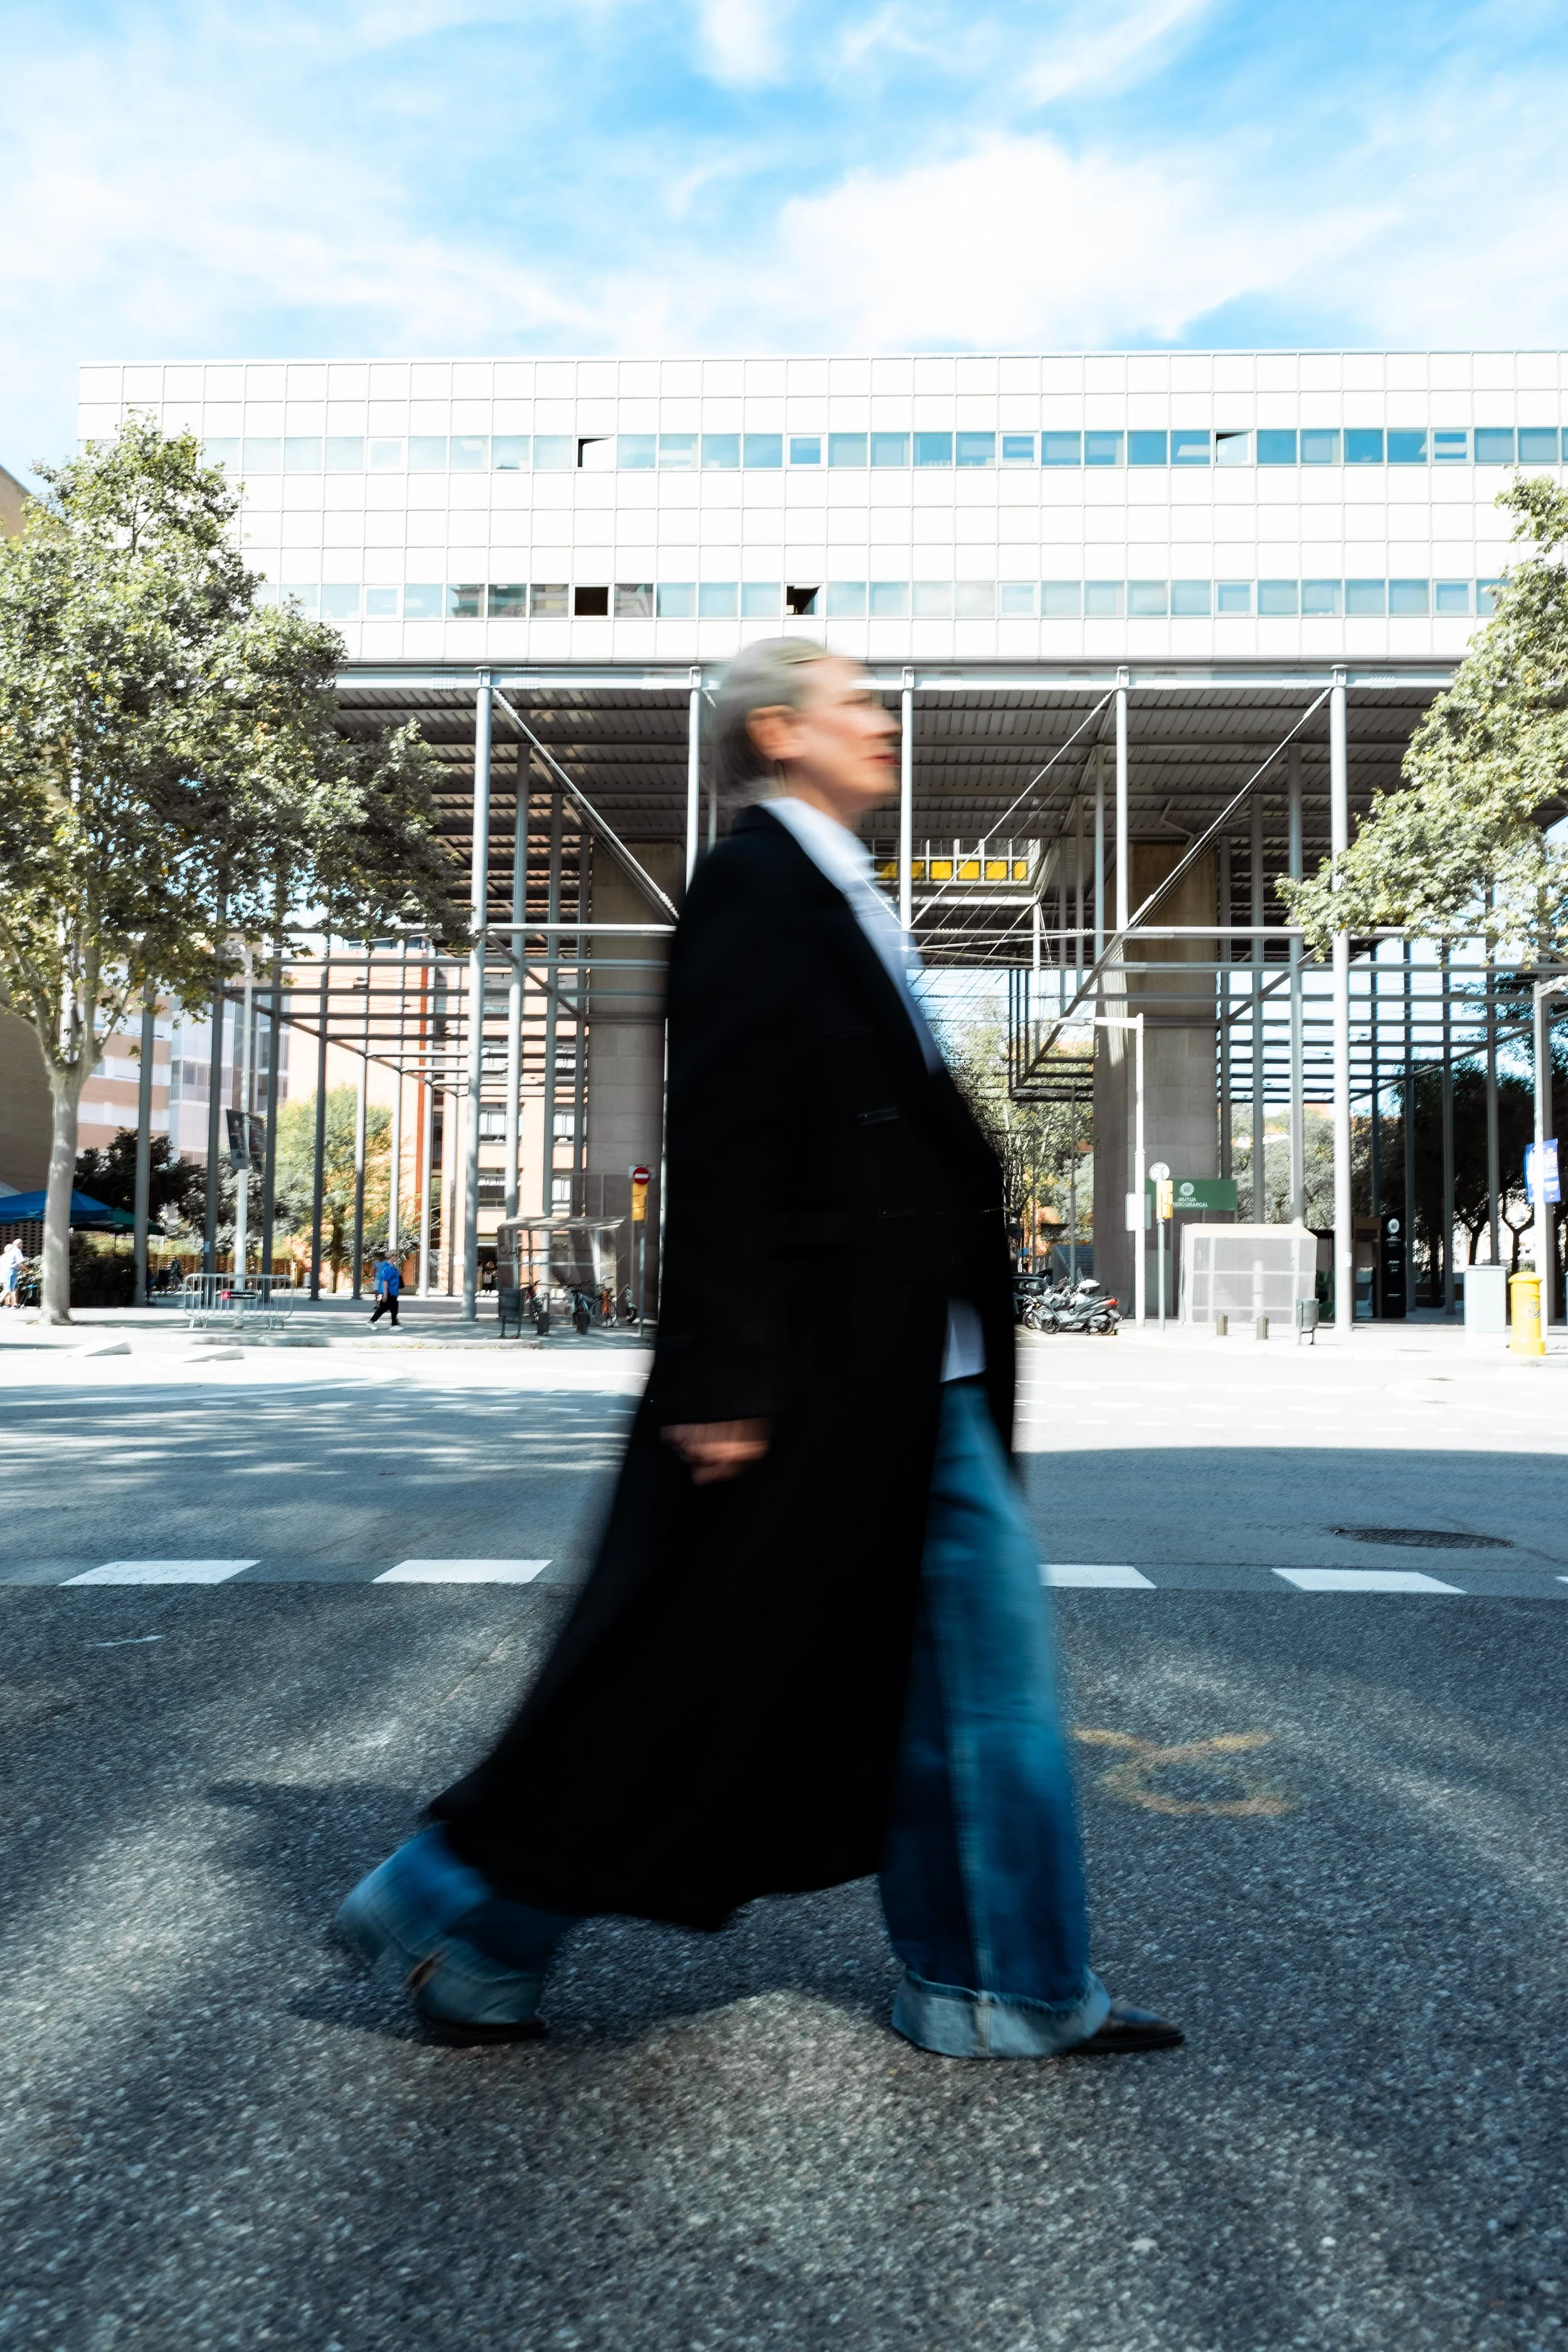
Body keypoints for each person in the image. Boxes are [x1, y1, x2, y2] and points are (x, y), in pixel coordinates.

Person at [337, 640, 1180, 2062]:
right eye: (857, 702)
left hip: (910, 1363)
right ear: (780, 731)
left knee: (898, 1677)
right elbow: (726, 1136)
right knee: (720, 1673)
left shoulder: (840, 892)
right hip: (824, 1367)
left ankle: (992, 1980)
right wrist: (727, 1369)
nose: (882, 721)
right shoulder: (754, 885)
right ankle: (459, 1909)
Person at [368, 1252, 401, 1327]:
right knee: (392, 1308)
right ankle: (394, 1324)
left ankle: (372, 1321)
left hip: (393, 1290)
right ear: (391, 1257)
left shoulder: (393, 1266)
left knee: (386, 1308)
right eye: (395, 1256)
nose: (396, 1257)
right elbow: (385, 1281)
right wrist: (385, 1294)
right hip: (389, 1291)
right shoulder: (388, 1267)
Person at [0, 1237, 22, 1308]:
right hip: (8, 1273)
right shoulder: (10, 1255)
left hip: (5, 1274)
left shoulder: (4, 1256)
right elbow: (19, 1264)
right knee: (8, 1290)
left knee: (9, 1289)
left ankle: (11, 1304)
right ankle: (11, 1304)